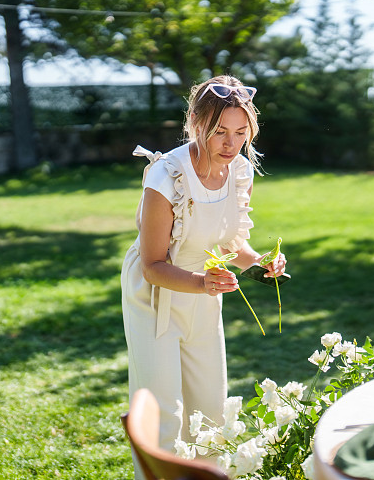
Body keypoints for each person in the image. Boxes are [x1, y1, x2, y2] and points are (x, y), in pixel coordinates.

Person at [121, 75, 287, 465]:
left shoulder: (241, 172)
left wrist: (260, 262)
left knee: (210, 407)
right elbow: (152, 266)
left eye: (240, 132)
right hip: (157, 294)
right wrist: (202, 282)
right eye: (219, 132)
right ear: (196, 124)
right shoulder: (167, 176)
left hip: (203, 293)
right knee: (166, 414)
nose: (231, 144)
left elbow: (231, 242)